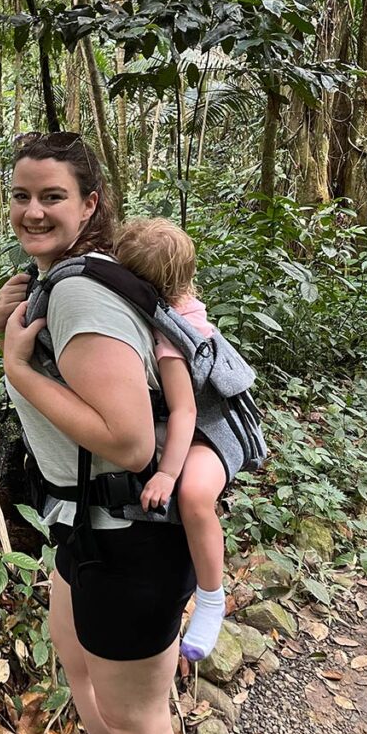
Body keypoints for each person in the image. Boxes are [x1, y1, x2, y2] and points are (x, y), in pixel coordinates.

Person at [0, 132, 195, 734]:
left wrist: (18, 370)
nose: (33, 210)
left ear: (90, 205)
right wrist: (5, 324)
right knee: (85, 684)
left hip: (132, 536)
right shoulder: (55, 283)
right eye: (21, 195)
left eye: (53, 196)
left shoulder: (79, 292)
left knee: (135, 720)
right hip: (84, 530)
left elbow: (130, 443)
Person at [114, 218, 228, 662]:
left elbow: (185, 410)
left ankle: (212, 598)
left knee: (194, 497)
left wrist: (166, 473)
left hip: (209, 429)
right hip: (200, 423)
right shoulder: (179, 301)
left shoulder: (168, 338)